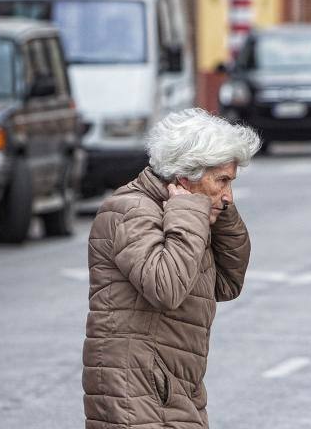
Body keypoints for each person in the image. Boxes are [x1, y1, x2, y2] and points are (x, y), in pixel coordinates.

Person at [82, 108, 260, 428]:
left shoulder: (184, 215)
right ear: (185, 176)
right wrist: (191, 213)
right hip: (137, 392)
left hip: (175, 387)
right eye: (221, 181)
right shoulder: (132, 210)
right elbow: (166, 288)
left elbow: (227, 284)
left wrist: (219, 217)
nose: (228, 196)